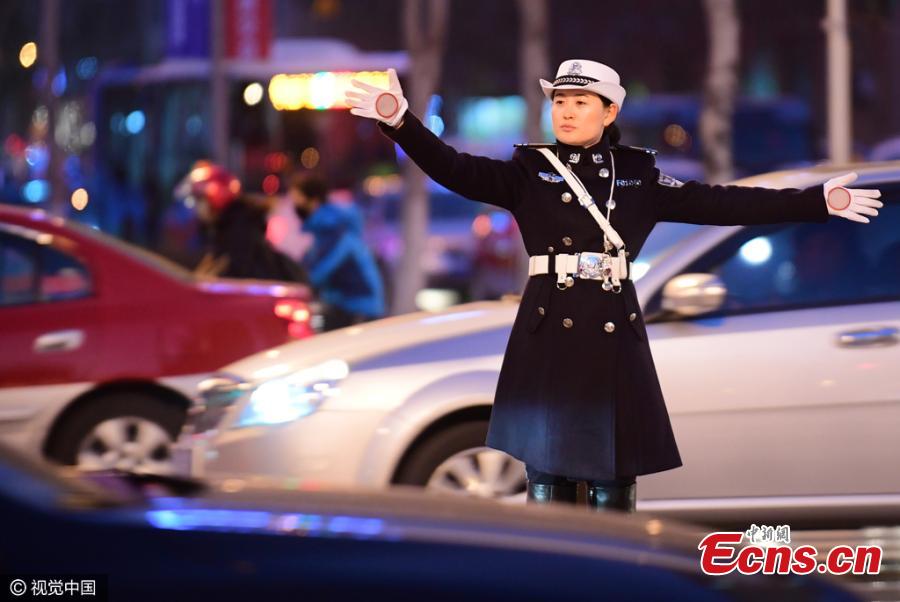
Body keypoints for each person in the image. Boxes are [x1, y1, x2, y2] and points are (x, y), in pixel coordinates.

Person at [345, 62, 883, 512]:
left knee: (613, 477)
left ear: (610, 112)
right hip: (548, 331)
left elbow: (723, 202)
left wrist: (815, 202)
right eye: (560, 101)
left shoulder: (638, 174)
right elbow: (455, 169)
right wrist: (401, 123)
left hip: (613, 334)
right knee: (546, 477)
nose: (567, 111)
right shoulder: (530, 169)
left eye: (581, 102)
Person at [175, 161, 308, 284]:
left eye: (199, 201)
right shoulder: (229, 229)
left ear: (216, 197)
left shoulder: (238, 235)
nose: (197, 209)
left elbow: (230, 280)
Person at [288, 173, 386, 330]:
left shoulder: (335, 232)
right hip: (346, 306)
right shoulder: (326, 231)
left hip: (358, 309)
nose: (295, 205)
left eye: (298, 199)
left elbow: (316, 274)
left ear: (313, 201)